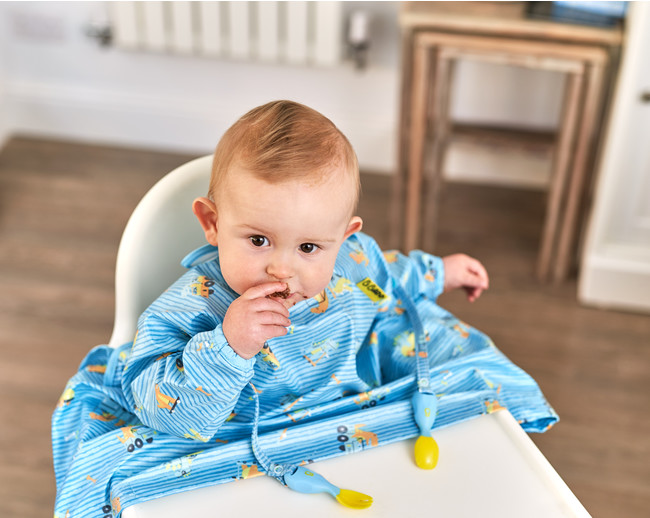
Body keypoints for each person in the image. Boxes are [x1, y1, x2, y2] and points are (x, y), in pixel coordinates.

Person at [52, 100, 556, 516]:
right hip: (229, 438)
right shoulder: (187, 308)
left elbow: (387, 275)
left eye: (309, 249)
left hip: (343, 420)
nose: (282, 269)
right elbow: (166, 409)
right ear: (211, 223)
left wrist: (439, 272)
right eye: (258, 240)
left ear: (343, 240)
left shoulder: (351, 264)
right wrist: (230, 347)